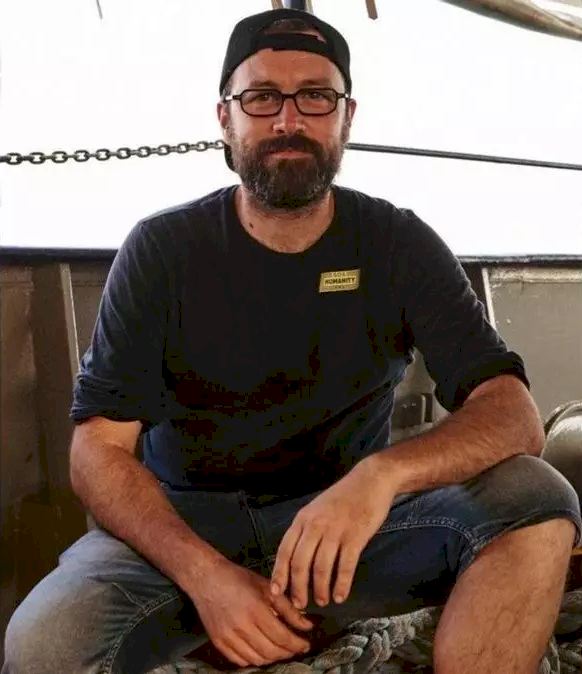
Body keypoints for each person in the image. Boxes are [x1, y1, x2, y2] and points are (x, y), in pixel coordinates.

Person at [3, 8, 581, 674]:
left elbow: (510, 413)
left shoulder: (397, 244)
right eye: (261, 97)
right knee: (43, 646)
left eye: (315, 96)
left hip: (348, 524)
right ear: (226, 118)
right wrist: (206, 577)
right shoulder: (163, 250)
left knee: (536, 498)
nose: (287, 120)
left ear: (346, 116)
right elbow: (96, 452)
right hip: (183, 527)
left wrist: (380, 477)